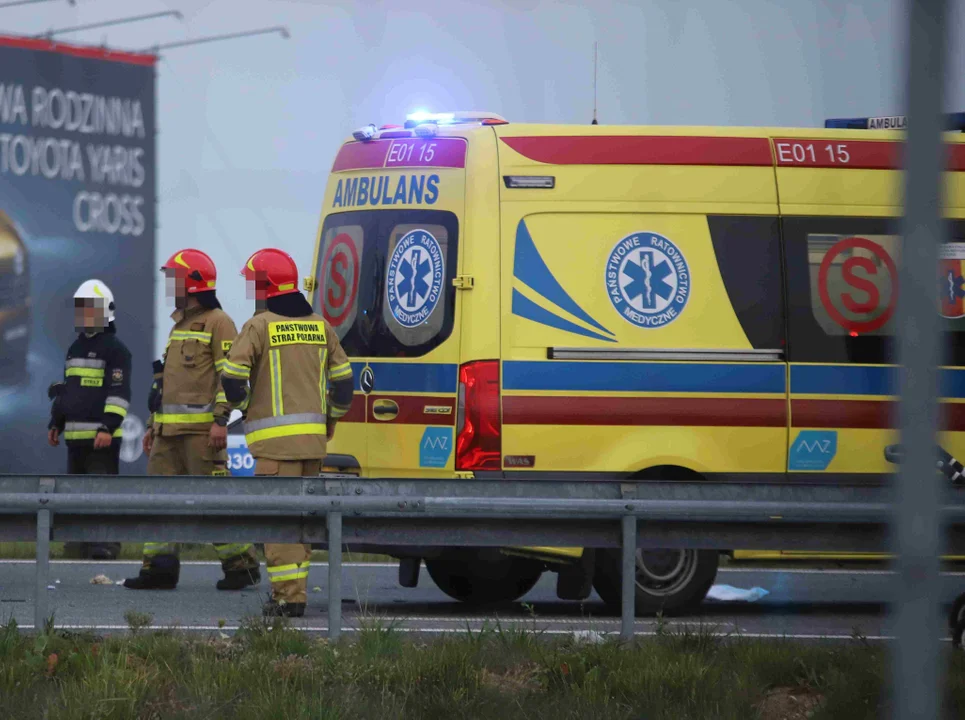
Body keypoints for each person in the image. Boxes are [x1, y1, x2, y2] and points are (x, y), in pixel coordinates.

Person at [221, 248, 353, 617]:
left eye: (255, 285)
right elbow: (344, 384)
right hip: (313, 446)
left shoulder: (259, 326)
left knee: (279, 525)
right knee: (303, 523)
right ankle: (295, 592)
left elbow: (231, 375)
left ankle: (288, 599)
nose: (253, 293)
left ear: (267, 287)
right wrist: (331, 421)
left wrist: (244, 404)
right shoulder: (320, 325)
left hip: (275, 450)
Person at [124, 249, 260, 591]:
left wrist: (220, 421)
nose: (170, 285)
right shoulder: (179, 326)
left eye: (175, 278)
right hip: (168, 435)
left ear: (194, 283)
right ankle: (159, 568)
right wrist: (154, 426)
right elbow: (169, 386)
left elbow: (228, 378)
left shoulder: (219, 323)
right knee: (159, 501)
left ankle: (241, 566)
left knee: (213, 503)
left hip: (202, 435)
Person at [47, 279, 129, 561]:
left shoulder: (116, 350)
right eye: (80, 308)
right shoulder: (75, 348)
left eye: (89, 308)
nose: (82, 314)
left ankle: (105, 546)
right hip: (75, 439)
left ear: (105, 312)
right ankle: (78, 545)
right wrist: (56, 422)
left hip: (101, 439)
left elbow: (119, 393)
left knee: (101, 498)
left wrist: (108, 427)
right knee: (76, 499)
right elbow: (70, 390)